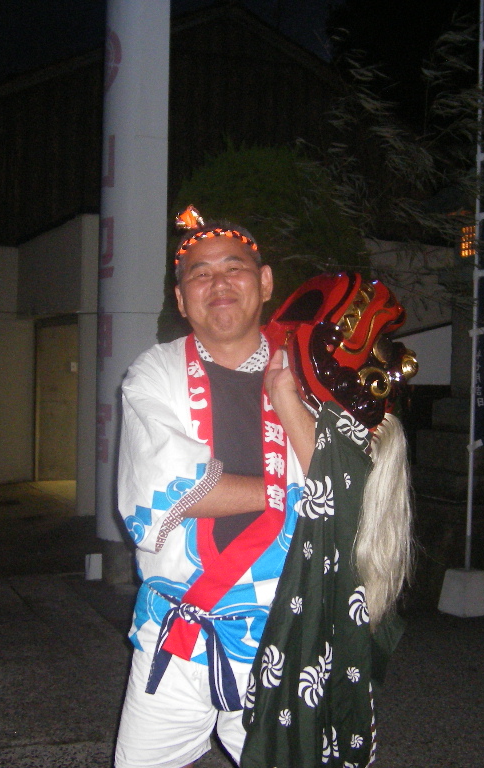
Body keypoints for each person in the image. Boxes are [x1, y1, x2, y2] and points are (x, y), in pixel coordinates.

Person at [114, 209, 315, 768]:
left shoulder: (312, 373)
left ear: (265, 281)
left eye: (234, 267)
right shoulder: (154, 374)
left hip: (287, 633)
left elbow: (345, 490)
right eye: (199, 274)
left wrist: (288, 398)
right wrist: (290, 490)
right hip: (178, 632)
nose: (218, 283)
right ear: (181, 300)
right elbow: (167, 490)